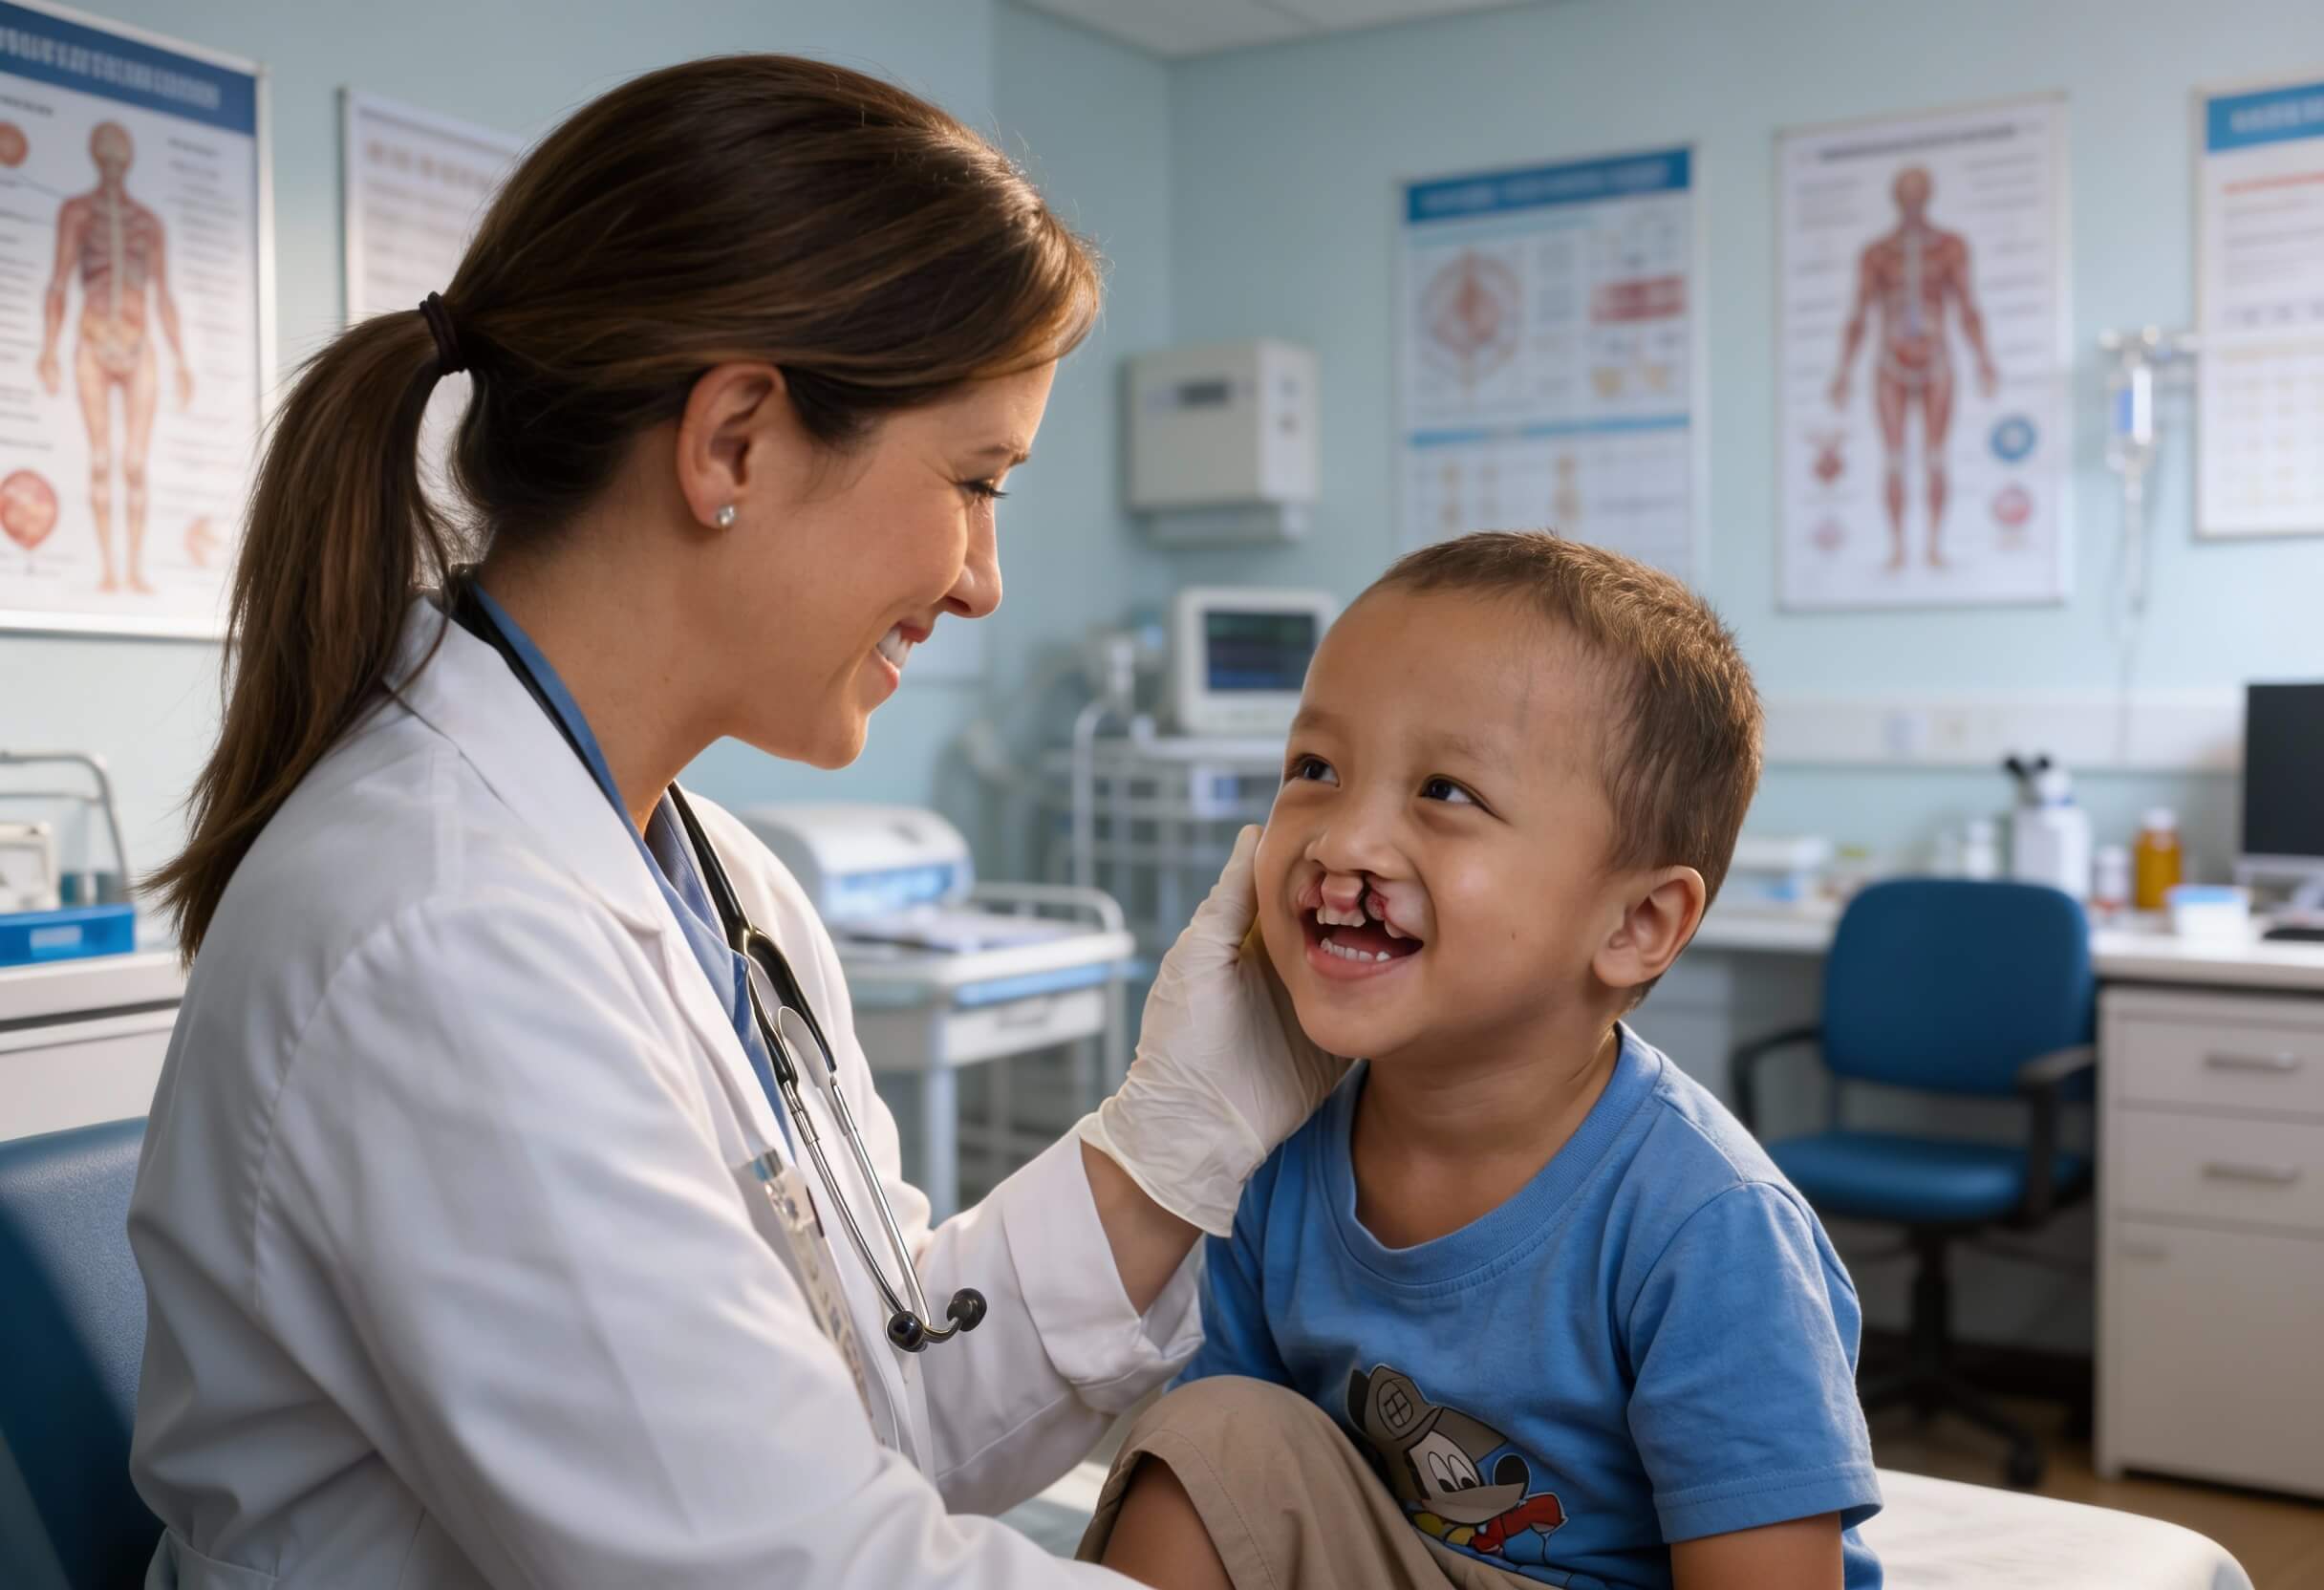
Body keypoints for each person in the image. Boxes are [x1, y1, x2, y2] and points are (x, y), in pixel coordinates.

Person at [129, 56, 1339, 1589]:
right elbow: (787, 1567)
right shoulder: (441, 937)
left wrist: (1179, 1147)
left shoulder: (719, 882)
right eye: (975, 481)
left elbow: (872, 1404)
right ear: (736, 443)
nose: (983, 579)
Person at [1076, 533, 1882, 1590]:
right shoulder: (1273, 1158)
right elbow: (1235, 1494)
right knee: (1205, 1436)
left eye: (1445, 791)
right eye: (1313, 769)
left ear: (1638, 919)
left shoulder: (1707, 1225)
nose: (1343, 840)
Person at [37, 119, 194, 594]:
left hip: (138, 346)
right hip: (92, 343)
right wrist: (48, 347)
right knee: (102, 459)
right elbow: (59, 281)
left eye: (116, 155)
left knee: (134, 465)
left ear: (126, 160)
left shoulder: (148, 223)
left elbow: (164, 295)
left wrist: (181, 359)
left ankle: (135, 571)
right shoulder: (77, 213)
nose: (110, 164)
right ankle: (110, 570)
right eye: (103, 155)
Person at [1826, 165, 1998, 572]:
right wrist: (1843, 372)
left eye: (1920, 191)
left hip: (1936, 358)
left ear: (1930, 195)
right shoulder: (1877, 253)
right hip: (1890, 360)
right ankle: (1899, 548)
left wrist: (1983, 360)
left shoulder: (1951, 247)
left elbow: (1967, 307)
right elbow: (1859, 314)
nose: (1913, 199)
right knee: (1895, 458)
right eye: (1906, 192)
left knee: (1936, 456)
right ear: (1896, 198)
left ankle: (1935, 544)